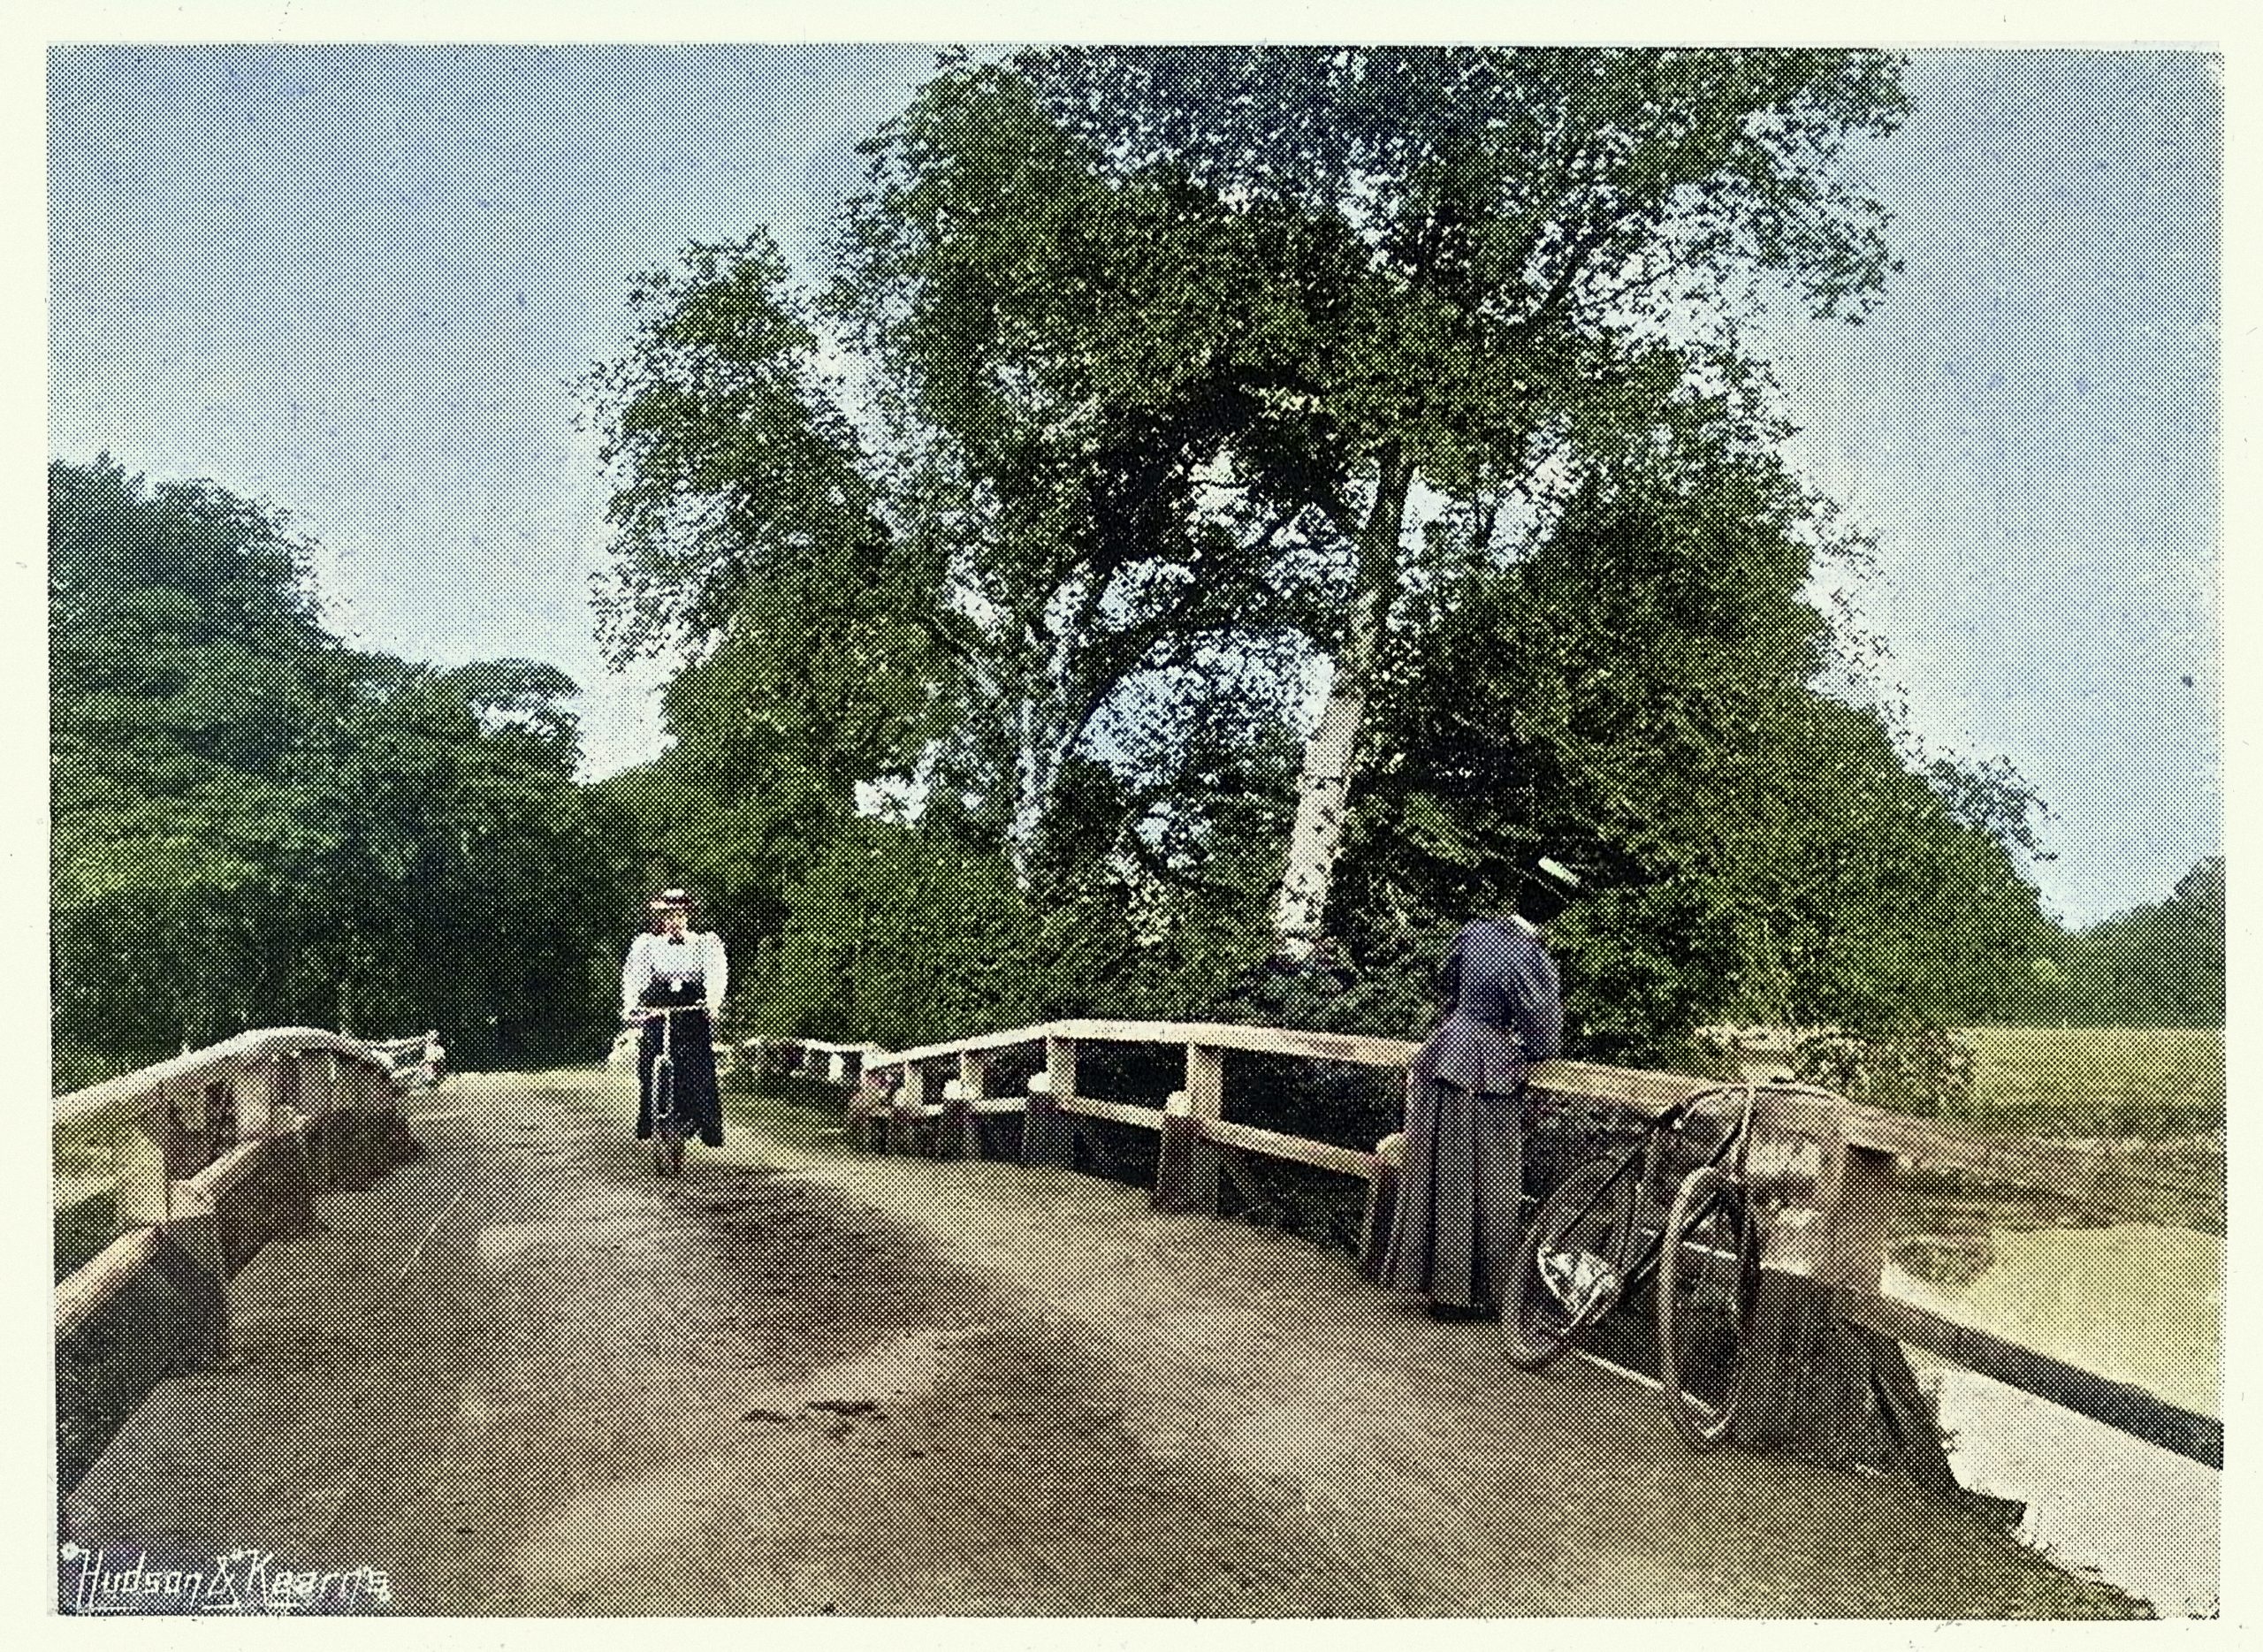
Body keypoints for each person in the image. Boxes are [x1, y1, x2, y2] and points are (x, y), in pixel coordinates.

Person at [1380, 857, 1580, 1320]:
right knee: (1490, 1177)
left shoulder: (1475, 932)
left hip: (1442, 1051)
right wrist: (1516, 1049)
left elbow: (1445, 983)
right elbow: (1545, 1034)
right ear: (1553, 911)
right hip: (1486, 1066)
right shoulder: (1533, 955)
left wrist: (1463, 1023)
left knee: (1437, 1167)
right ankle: (1481, 1293)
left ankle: (1435, 1286)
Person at [621, 889, 729, 1148]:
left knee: (698, 1064)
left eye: (679, 915)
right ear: (661, 919)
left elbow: (716, 975)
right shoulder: (648, 945)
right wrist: (633, 1006)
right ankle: (651, 1117)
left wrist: (712, 1004)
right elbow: (634, 977)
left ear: (687, 916)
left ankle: (702, 1123)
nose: (674, 921)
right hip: (658, 1008)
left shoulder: (704, 944)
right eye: (668, 915)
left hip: (692, 1009)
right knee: (649, 1057)